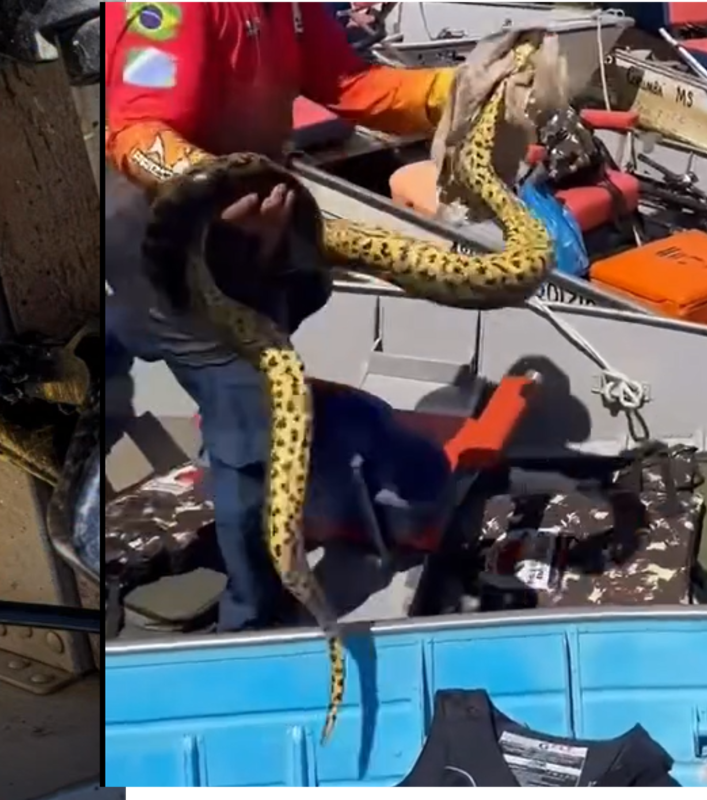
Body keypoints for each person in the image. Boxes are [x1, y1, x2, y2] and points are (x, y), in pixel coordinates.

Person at [104, 0, 457, 632]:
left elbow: (350, 85)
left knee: (265, 359)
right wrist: (215, 185)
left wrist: (460, 88)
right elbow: (135, 132)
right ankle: (251, 621)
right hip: (171, 244)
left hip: (254, 233)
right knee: (255, 448)